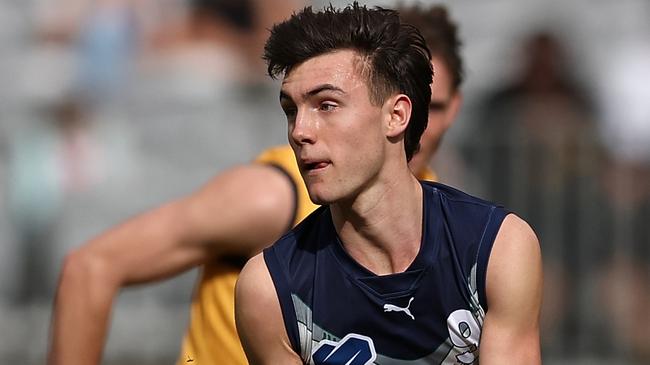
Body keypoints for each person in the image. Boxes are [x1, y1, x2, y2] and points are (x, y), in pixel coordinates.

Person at [48, 3, 465, 365]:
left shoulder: (443, 220)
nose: (419, 127)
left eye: (435, 107)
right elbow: (91, 267)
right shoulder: (275, 195)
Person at [235, 3, 542, 364]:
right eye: (291, 110)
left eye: (327, 105)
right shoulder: (271, 289)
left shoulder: (495, 248)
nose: (300, 131)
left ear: (396, 116)